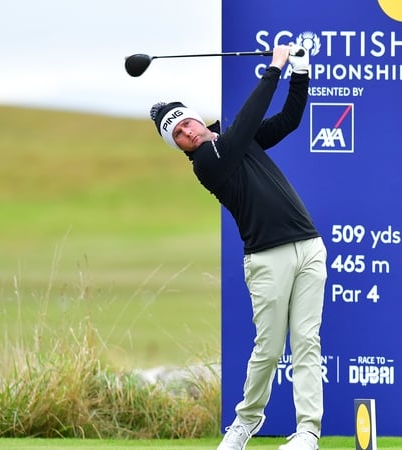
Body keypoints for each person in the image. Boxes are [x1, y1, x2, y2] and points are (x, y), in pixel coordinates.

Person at [149, 43, 326, 450]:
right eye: (177, 134)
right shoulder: (209, 162)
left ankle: (308, 433)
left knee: (306, 342)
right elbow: (248, 120)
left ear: (195, 118)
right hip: (267, 257)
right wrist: (275, 68)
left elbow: (290, 120)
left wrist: (300, 70)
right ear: (178, 146)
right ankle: (244, 425)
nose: (187, 132)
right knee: (268, 347)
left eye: (186, 123)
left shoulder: (237, 142)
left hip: (309, 247)